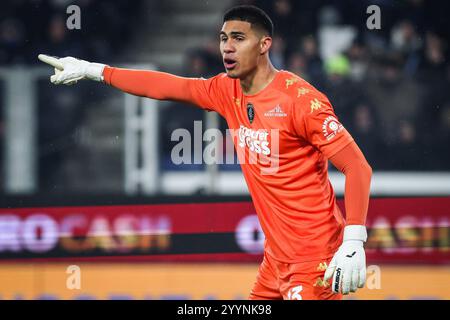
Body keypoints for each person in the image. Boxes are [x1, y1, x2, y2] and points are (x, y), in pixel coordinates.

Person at [38, 5, 372, 300]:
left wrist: (354, 240)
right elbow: (168, 86)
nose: (227, 46)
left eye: (238, 38)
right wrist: (94, 70)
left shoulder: (301, 101)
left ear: (264, 45)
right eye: (224, 38)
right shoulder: (226, 90)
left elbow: (358, 167)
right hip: (276, 261)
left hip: (315, 258)